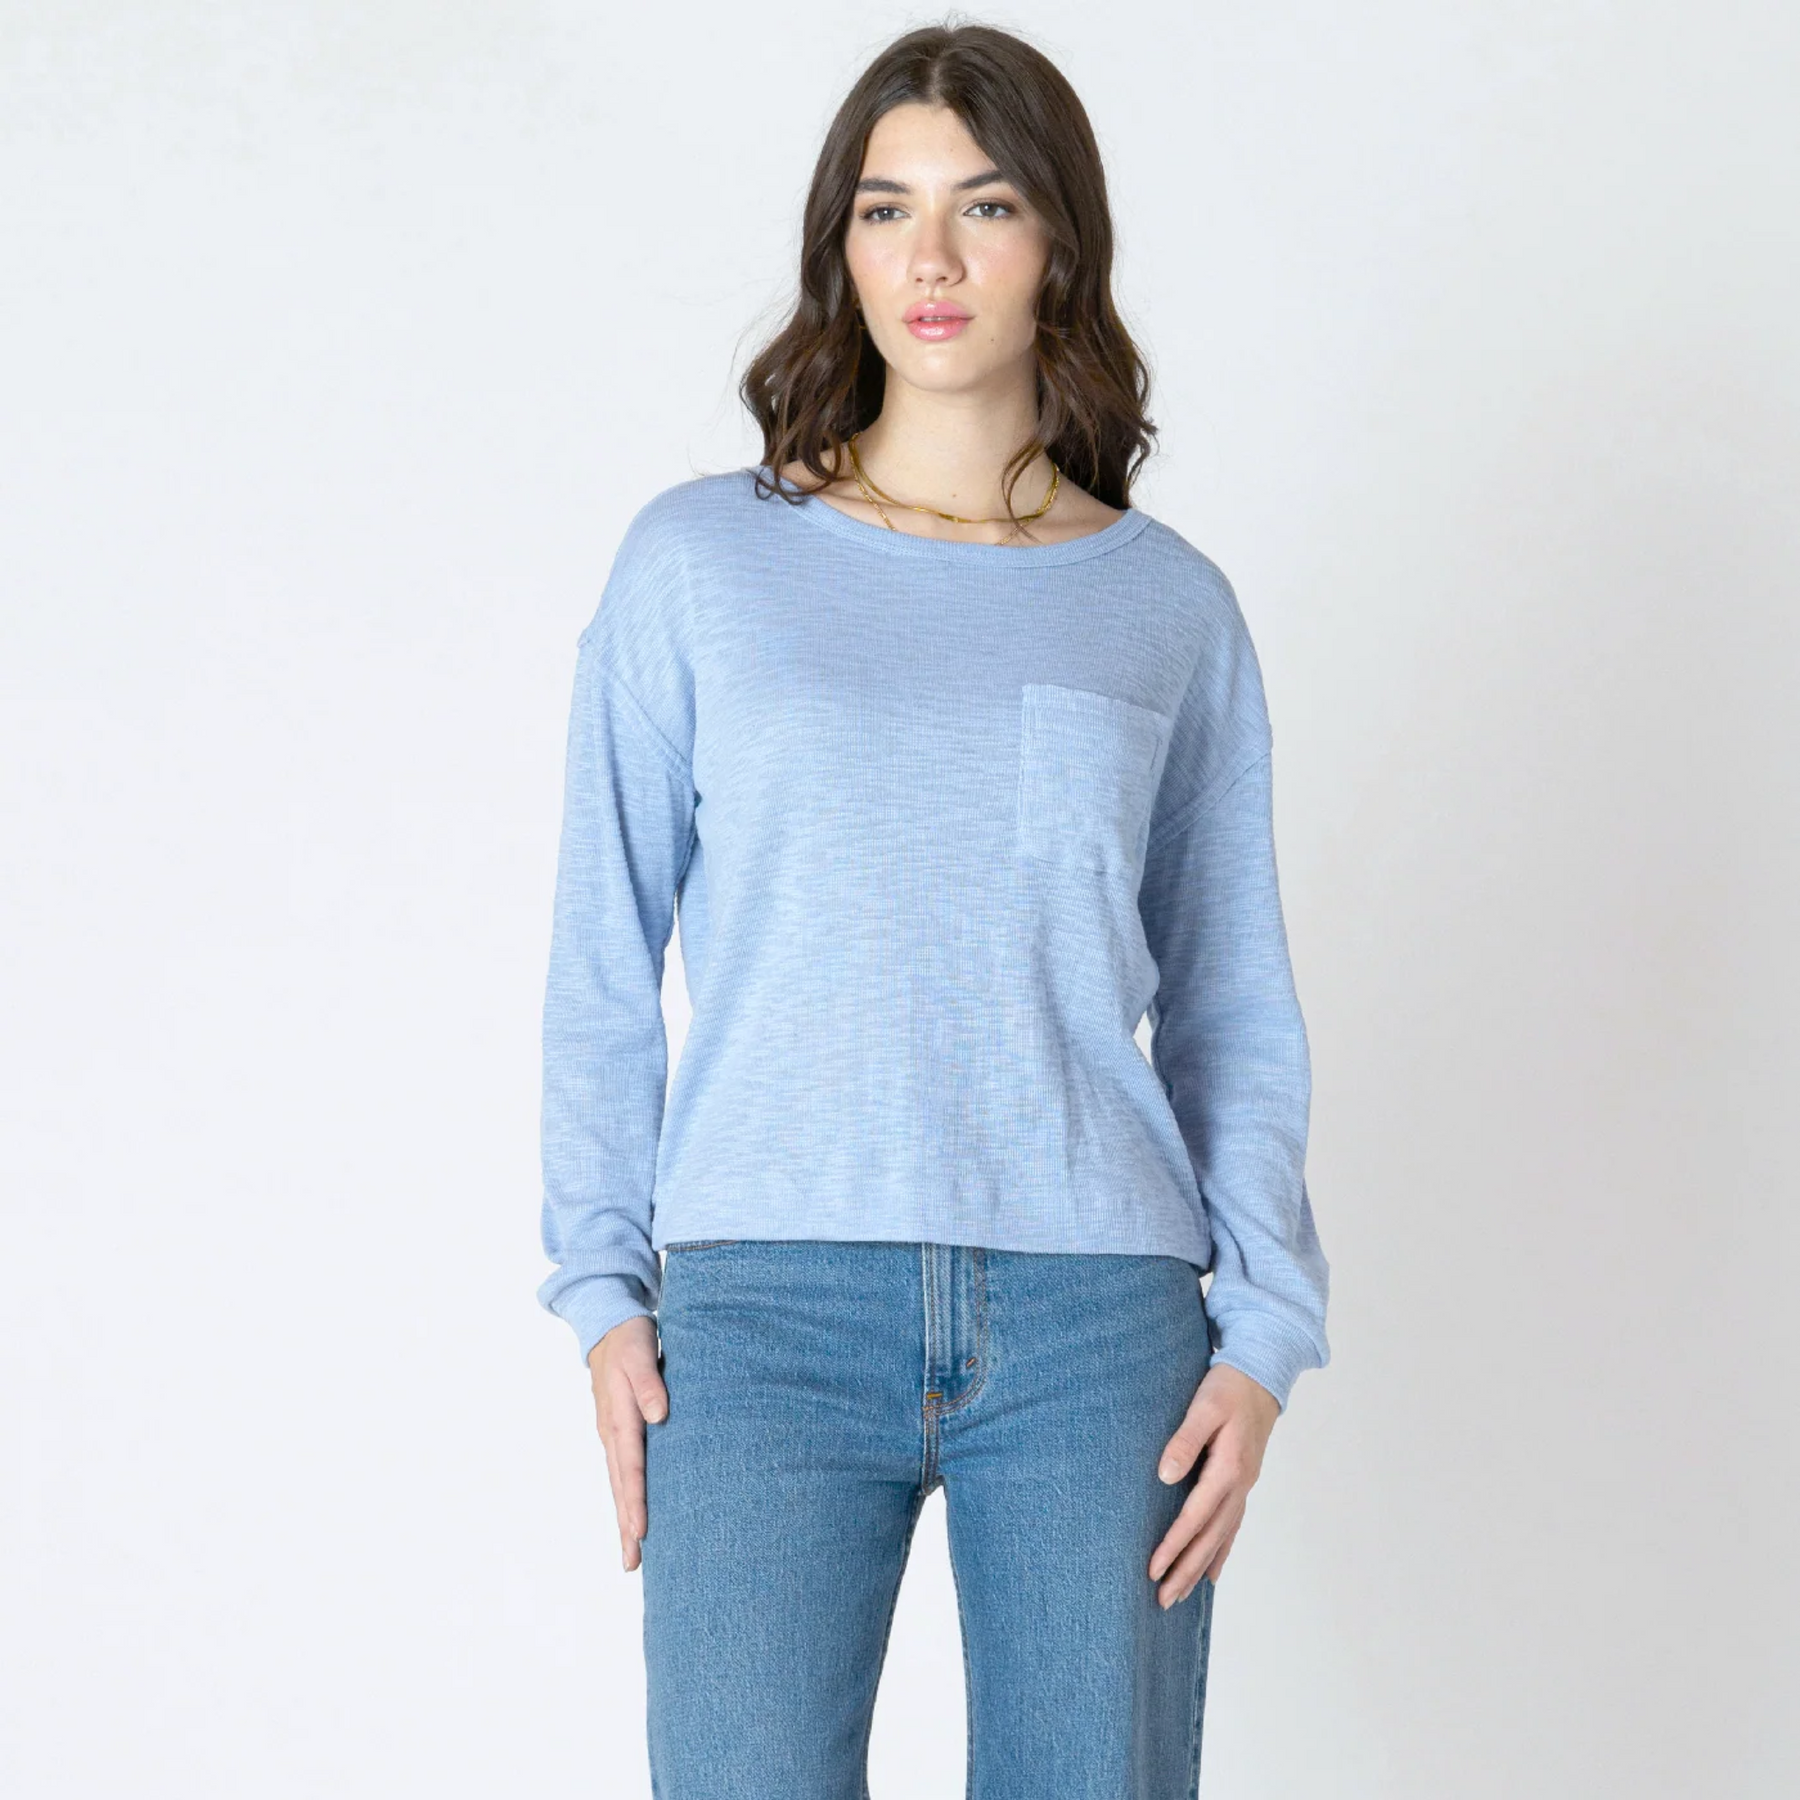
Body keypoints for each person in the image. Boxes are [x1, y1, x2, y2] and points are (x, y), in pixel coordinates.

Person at [536, 21, 1330, 1798]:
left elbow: (1230, 1001)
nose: (935, 257)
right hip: (762, 1311)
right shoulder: (702, 566)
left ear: (1061, 241)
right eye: (888, 208)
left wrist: (1268, 1332)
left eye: (986, 204)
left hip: (1098, 1324)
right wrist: (602, 1289)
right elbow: (600, 958)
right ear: (843, 244)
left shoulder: (1168, 610)